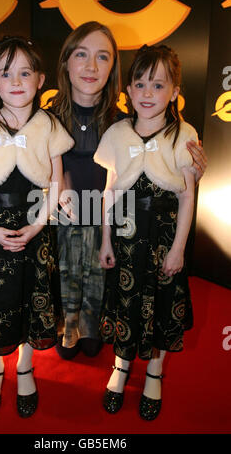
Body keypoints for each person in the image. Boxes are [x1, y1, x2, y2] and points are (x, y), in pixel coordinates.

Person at [0, 23, 207, 362]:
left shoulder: (128, 121)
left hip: (114, 227)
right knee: (61, 296)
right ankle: (64, 325)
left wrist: (192, 168)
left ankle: (95, 325)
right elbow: (5, 158)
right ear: (64, 63)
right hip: (53, 224)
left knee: (99, 324)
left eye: (103, 57)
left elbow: (159, 170)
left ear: (115, 69)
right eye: (81, 55)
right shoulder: (42, 118)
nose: (91, 67)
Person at [0, 35, 74, 420]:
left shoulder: (49, 124)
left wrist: (39, 227)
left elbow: (55, 181)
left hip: (35, 226)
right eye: (6, 73)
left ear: (40, 80)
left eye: (26, 72)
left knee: (29, 300)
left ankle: (24, 367)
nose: (16, 81)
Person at [94, 44, 198, 420]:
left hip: (165, 237)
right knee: (126, 303)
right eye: (140, 84)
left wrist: (178, 249)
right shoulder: (117, 133)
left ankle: (154, 371)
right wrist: (105, 239)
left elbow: (187, 197)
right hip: (124, 237)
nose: (148, 93)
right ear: (128, 91)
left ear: (174, 91)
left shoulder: (183, 133)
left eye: (158, 85)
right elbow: (108, 191)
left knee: (162, 303)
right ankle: (121, 367)